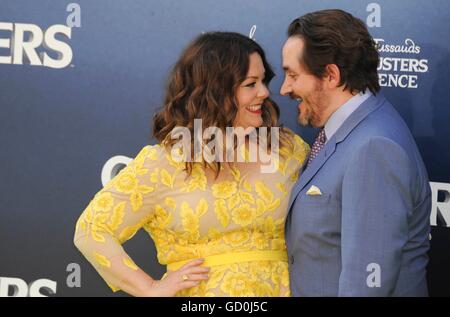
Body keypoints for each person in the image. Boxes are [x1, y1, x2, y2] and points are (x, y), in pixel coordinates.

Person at [74, 31, 309, 296]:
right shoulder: (165, 162)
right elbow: (92, 230)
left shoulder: (287, 150)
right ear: (216, 91)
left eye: (263, 81)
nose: (265, 92)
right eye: (250, 84)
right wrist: (150, 288)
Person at [280, 9, 431, 296]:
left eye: (292, 75)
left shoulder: (373, 148)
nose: (285, 88)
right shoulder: (347, 131)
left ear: (331, 75)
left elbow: (368, 285)